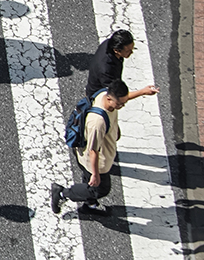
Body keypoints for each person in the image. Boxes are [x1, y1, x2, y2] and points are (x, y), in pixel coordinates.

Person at [50, 78, 154, 218]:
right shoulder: (97, 122)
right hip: (94, 160)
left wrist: (142, 92)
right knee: (99, 189)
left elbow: (123, 97)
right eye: (120, 104)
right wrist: (96, 173)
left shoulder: (104, 94)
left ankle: (90, 205)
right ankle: (62, 193)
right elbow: (93, 151)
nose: (122, 106)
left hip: (95, 152)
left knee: (89, 183)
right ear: (110, 99)